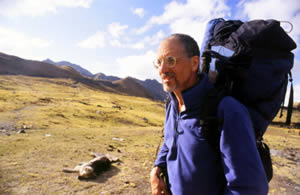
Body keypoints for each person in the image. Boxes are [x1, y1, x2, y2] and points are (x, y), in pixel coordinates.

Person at [150, 34, 269, 195]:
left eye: (170, 60)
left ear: (194, 63)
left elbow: (249, 188)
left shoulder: (226, 110)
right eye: (159, 62)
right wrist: (157, 168)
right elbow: (170, 141)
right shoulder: (172, 106)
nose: (162, 70)